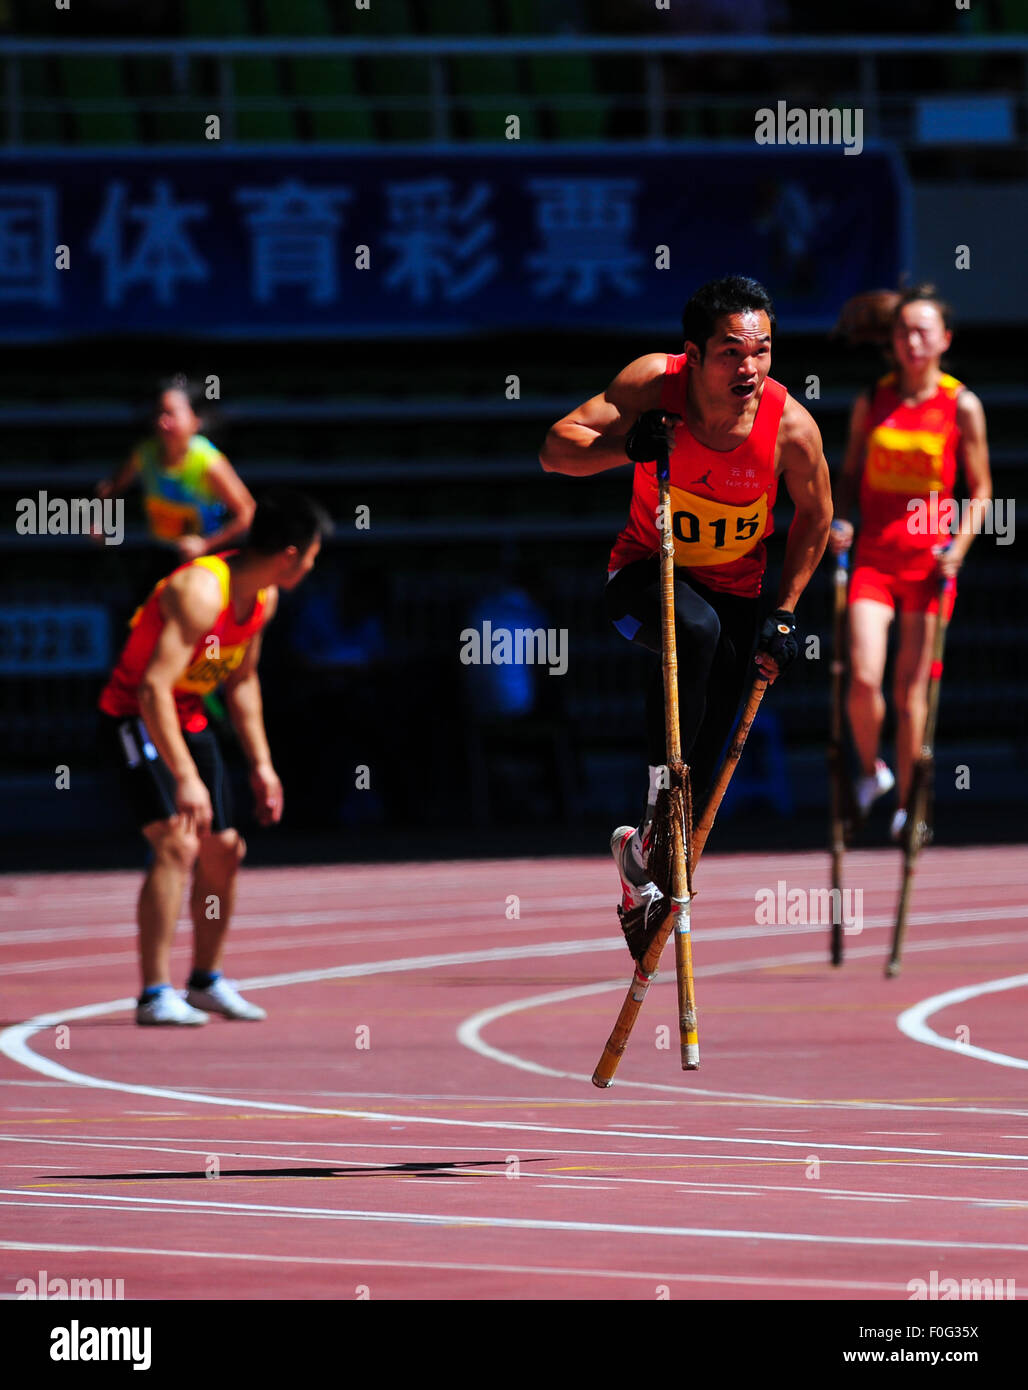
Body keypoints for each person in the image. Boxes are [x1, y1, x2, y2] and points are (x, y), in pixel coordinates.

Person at [540, 274, 833, 918]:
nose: (748, 367)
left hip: (738, 592)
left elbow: (815, 517)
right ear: (694, 355)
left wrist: (785, 612)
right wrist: (628, 446)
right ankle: (655, 813)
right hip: (644, 576)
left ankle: (648, 863)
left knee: (711, 741)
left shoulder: (792, 430)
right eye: (731, 351)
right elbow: (555, 451)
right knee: (691, 630)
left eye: (760, 350)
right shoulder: (653, 384)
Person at [97, 489, 329, 1025]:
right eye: (313, 555)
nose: (314, 566)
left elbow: (242, 683)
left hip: (188, 716)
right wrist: (186, 777)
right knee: (178, 844)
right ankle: (154, 994)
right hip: (133, 716)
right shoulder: (200, 591)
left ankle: (205, 980)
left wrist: (262, 764)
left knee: (224, 849)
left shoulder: (263, 598)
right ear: (290, 554)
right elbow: (152, 688)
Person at [829, 284, 991, 840]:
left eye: (923, 330)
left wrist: (959, 548)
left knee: (908, 691)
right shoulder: (872, 401)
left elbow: (981, 489)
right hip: (875, 558)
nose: (912, 340)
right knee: (863, 679)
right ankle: (873, 770)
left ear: (944, 339)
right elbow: (848, 476)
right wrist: (841, 519)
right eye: (903, 331)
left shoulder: (960, 404)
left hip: (929, 566)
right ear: (892, 342)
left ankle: (907, 804)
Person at [96, 375, 256, 566]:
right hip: (160, 555)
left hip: (203, 561)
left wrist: (205, 544)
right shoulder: (145, 455)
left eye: (172, 414)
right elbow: (112, 488)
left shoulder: (209, 463)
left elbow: (248, 513)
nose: (163, 422)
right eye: (160, 413)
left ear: (195, 420)